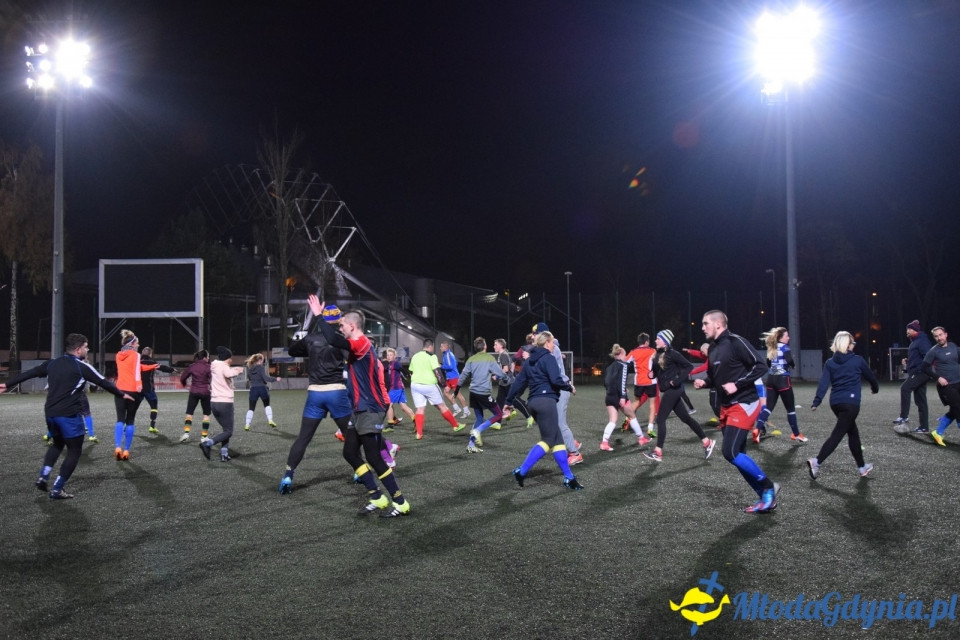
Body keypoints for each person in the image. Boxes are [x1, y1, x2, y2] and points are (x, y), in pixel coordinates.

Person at [0, 333, 133, 499]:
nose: (88, 349)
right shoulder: (81, 366)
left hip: (50, 413)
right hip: (68, 415)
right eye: (86, 347)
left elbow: (31, 373)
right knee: (74, 450)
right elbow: (103, 382)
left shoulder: (53, 363)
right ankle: (57, 488)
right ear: (78, 350)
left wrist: (7, 384)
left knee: (57, 444)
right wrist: (122, 395)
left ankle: (43, 476)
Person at [314, 299, 410, 517]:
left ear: (352, 326)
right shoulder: (358, 344)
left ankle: (400, 501)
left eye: (342, 325)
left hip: (370, 407)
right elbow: (335, 342)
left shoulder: (361, 343)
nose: (340, 328)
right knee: (349, 452)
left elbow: (332, 339)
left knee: (374, 457)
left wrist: (320, 316)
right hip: (359, 408)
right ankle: (377, 496)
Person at [693, 311, 779, 514]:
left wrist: (738, 384)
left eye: (705, 323)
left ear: (718, 324)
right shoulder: (713, 348)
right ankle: (765, 497)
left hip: (745, 403)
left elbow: (761, 366)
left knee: (729, 452)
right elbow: (716, 378)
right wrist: (704, 382)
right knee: (738, 455)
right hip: (727, 406)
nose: (702, 327)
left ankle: (768, 486)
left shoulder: (735, 341)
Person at [278, 302, 354, 494]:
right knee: (351, 435)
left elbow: (293, 350)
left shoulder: (311, 339)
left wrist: (309, 344)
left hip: (315, 393)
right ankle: (359, 471)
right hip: (336, 392)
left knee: (303, 438)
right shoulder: (340, 338)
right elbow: (350, 356)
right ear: (339, 321)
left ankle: (288, 475)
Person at [506, 331, 583, 490]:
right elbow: (556, 380)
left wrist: (509, 401)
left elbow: (519, 383)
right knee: (548, 441)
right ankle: (522, 471)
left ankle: (569, 478)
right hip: (546, 402)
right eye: (553, 342)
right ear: (547, 342)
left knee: (558, 441)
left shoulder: (529, 362)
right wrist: (569, 387)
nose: (554, 345)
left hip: (533, 403)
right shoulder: (548, 357)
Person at [808, 331, 880, 478]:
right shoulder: (858, 360)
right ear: (847, 344)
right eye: (853, 343)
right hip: (851, 403)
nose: (854, 345)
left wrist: (817, 401)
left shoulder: (830, 362)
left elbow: (823, 383)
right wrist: (875, 388)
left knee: (853, 433)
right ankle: (817, 461)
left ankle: (862, 467)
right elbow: (871, 377)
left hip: (835, 403)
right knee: (838, 434)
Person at [642, 330, 715, 462]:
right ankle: (707, 442)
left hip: (673, 390)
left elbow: (688, 366)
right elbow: (658, 370)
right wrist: (652, 373)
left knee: (660, 419)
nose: (655, 341)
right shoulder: (658, 353)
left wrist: (677, 380)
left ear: (665, 341)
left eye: (658, 339)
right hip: (668, 390)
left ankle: (658, 452)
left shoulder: (673, 354)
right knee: (686, 418)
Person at [529, 322, 583, 466]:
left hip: (560, 388)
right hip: (556, 389)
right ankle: (573, 443)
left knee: (559, 423)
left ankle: (575, 453)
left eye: (535, 334)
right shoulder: (547, 348)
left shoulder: (551, 348)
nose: (533, 336)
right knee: (555, 422)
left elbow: (554, 375)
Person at [754, 327, 806, 444]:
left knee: (768, 407)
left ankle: (757, 429)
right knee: (790, 409)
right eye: (787, 336)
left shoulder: (772, 348)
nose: (789, 337)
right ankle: (796, 434)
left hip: (771, 379)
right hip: (783, 380)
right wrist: (792, 365)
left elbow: (768, 363)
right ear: (781, 337)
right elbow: (789, 360)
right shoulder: (785, 347)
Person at [408, 339, 466, 439]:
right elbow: (437, 371)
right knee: (442, 406)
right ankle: (455, 426)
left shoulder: (415, 356)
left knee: (420, 409)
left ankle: (419, 433)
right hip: (429, 385)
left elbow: (410, 371)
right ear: (431, 346)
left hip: (415, 385)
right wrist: (443, 383)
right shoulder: (432, 356)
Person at [113, 330, 157, 460]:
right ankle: (126, 451)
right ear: (132, 343)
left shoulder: (118, 355)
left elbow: (138, 368)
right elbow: (137, 372)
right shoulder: (136, 355)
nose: (138, 345)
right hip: (133, 390)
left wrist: (153, 366)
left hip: (119, 390)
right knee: (130, 420)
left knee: (120, 419)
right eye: (137, 343)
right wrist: (139, 385)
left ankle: (117, 447)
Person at [458, 337, 507, 453]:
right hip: (483, 393)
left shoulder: (471, 359)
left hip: (473, 393)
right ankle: (479, 430)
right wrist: (505, 377)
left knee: (479, 417)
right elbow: (499, 372)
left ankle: (471, 444)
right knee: (498, 414)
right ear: (485, 346)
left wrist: (456, 388)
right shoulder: (489, 358)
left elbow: (464, 375)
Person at [599, 343, 651, 451]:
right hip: (619, 397)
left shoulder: (609, 367)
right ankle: (641, 438)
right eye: (625, 355)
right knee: (632, 416)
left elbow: (606, 383)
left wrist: (614, 391)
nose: (626, 357)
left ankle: (604, 442)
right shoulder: (623, 365)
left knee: (612, 421)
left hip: (609, 396)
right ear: (621, 354)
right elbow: (621, 382)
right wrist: (623, 396)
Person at [199, 346, 244, 461]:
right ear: (226, 358)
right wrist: (237, 370)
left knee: (226, 430)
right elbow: (228, 373)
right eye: (230, 358)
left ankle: (224, 454)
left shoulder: (215, 366)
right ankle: (208, 444)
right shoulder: (223, 366)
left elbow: (223, 377)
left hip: (214, 402)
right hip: (225, 403)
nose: (231, 360)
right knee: (229, 431)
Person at [923, 326, 960, 446]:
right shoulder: (933, 351)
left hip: (958, 382)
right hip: (947, 386)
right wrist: (938, 378)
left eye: (940, 335)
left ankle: (938, 432)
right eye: (936, 336)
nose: (939, 338)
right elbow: (924, 367)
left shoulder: (953, 346)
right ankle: (939, 430)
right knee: (958, 410)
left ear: (946, 334)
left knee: (955, 410)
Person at [894, 320, 932, 433]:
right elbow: (917, 359)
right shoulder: (915, 342)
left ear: (915, 330)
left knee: (905, 388)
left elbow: (928, 357)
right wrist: (907, 365)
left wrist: (921, 370)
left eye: (909, 329)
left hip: (921, 372)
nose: (907, 331)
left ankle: (904, 416)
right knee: (921, 400)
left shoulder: (922, 341)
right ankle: (924, 427)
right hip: (918, 372)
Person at [626, 333, 659, 438]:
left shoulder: (633, 352)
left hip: (638, 381)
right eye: (648, 341)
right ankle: (650, 430)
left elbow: (624, 363)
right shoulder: (652, 351)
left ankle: (626, 422)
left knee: (636, 402)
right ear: (646, 342)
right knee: (652, 405)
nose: (649, 343)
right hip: (650, 381)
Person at [140, 346, 176, 434]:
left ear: (142, 353)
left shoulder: (136, 362)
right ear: (150, 354)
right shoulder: (151, 362)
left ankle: (126, 424)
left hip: (138, 388)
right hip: (149, 388)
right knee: (154, 406)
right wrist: (172, 370)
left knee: (132, 407)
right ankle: (152, 426)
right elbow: (162, 367)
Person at [179, 349, 211, 442]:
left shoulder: (192, 366)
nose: (209, 358)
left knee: (189, 413)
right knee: (206, 414)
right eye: (208, 356)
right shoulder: (209, 367)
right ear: (205, 357)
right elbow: (213, 379)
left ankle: (186, 433)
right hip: (205, 392)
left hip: (194, 391)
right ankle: (204, 437)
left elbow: (183, 377)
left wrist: (184, 384)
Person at [244, 353, 280, 431]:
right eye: (262, 360)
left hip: (253, 389)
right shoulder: (260, 367)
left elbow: (250, 379)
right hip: (262, 389)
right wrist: (275, 379)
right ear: (259, 360)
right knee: (267, 405)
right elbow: (266, 378)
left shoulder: (249, 368)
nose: (263, 362)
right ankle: (270, 420)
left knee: (251, 408)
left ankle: (247, 425)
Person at [383, 348, 416, 427]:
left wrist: (409, 373)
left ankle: (390, 425)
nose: (389, 356)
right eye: (388, 355)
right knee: (404, 407)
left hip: (395, 387)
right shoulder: (388, 364)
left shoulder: (394, 363)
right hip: (398, 388)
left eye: (391, 355)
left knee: (389, 405)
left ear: (394, 356)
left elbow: (402, 369)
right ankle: (416, 421)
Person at [440, 340, 470, 418]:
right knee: (446, 392)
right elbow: (455, 363)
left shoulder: (448, 355)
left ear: (446, 347)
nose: (440, 348)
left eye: (441, 346)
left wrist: (441, 366)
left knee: (458, 394)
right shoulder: (446, 354)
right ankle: (457, 409)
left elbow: (451, 366)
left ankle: (466, 411)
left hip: (454, 378)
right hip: (450, 378)